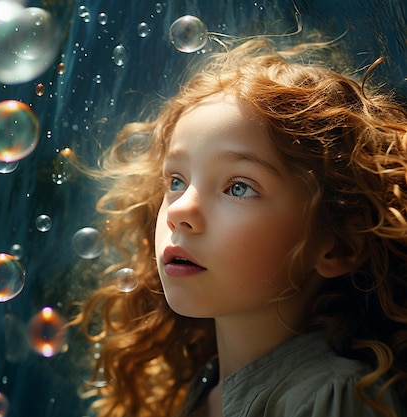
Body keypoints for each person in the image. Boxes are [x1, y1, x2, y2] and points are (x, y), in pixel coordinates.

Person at [71, 37, 407, 417]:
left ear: (340, 244)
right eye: (176, 181)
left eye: (238, 187)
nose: (180, 210)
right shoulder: (199, 392)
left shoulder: (334, 397)